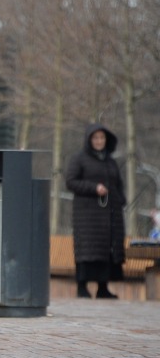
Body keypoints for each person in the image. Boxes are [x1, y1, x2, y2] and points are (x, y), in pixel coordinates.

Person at [64, 123, 126, 299]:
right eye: (96, 138)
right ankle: (82, 287)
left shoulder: (110, 161)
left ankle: (103, 287)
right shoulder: (79, 159)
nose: (99, 141)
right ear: (89, 140)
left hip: (110, 215)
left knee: (106, 250)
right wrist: (94, 188)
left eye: (102, 138)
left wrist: (121, 199)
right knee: (88, 249)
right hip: (87, 215)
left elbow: (118, 184)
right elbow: (71, 181)